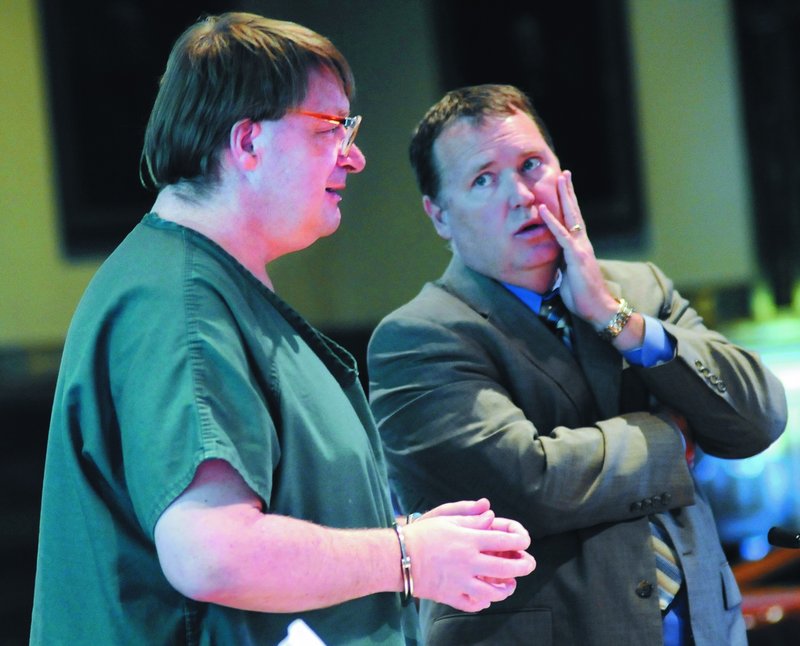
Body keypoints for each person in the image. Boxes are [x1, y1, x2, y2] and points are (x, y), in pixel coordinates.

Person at [29, 19, 536, 645]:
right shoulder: (176, 304)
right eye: (332, 128)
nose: (354, 155)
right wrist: (407, 556)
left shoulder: (209, 284)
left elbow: (277, 503)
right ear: (248, 142)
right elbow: (213, 553)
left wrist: (402, 530)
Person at [367, 84, 788, 645]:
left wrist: (619, 321)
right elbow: (528, 484)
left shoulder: (637, 287)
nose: (520, 195)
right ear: (440, 216)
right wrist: (672, 436)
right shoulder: (416, 337)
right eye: (483, 179)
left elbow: (757, 417)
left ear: (561, 171)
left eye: (531, 164)